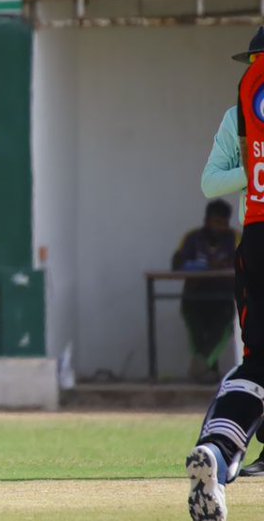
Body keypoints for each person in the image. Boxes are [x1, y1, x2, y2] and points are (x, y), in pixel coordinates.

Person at [188, 26, 264, 521]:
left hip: (259, 239)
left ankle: (219, 448)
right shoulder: (236, 118)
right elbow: (211, 182)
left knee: (258, 361)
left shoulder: (248, 106)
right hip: (255, 229)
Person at [172, 200, 236, 381]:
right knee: (196, 332)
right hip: (194, 295)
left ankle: (199, 368)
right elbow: (177, 265)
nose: (220, 227)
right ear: (207, 220)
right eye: (216, 222)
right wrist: (205, 266)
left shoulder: (234, 239)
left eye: (223, 223)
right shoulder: (192, 238)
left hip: (223, 297)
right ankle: (205, 371)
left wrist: (225, 266)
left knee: (222, 330)